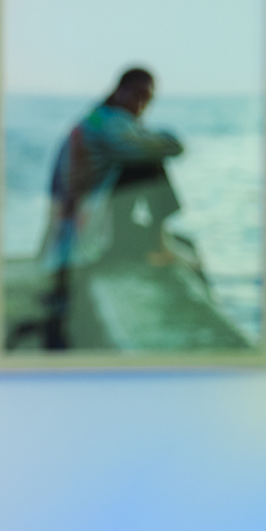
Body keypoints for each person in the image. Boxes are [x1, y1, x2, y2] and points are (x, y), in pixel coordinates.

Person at [32, 66, 186, 347]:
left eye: (147, 98)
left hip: (75, 214)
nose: (141, 103)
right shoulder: (111, 124)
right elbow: (170, 147)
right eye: (137, 95)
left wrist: (148, 136)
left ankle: (155, 243)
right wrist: (162, 138)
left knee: (144, 154)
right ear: (120, 91)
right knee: (149, 162)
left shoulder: (99, 116)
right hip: (83, 218)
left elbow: (141, 140)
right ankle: (158, 245)